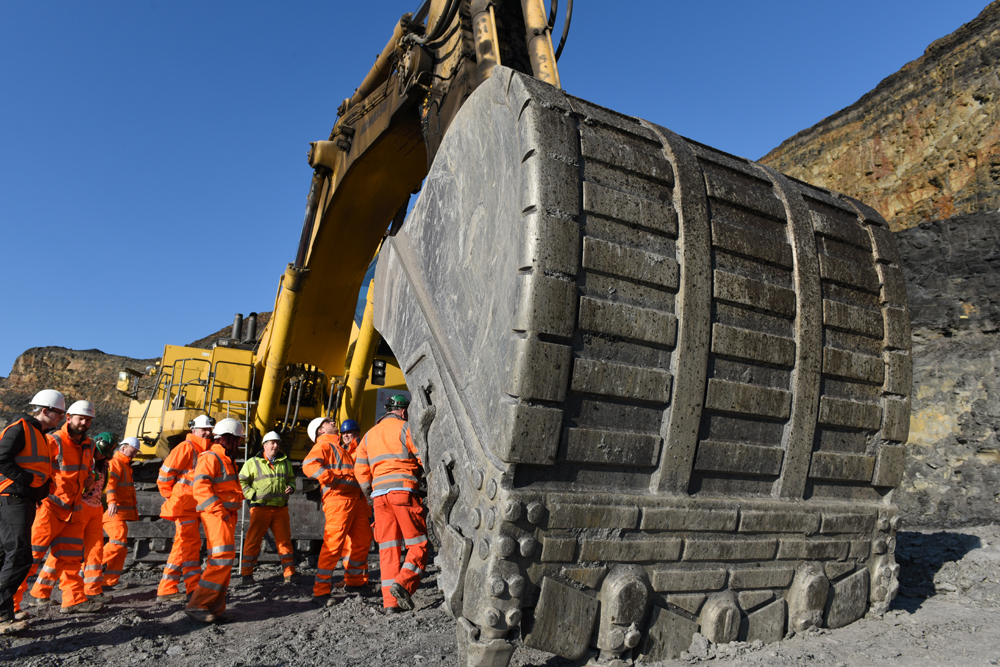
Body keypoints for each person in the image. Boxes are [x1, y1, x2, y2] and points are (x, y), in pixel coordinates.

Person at [19, 400, 102, 614]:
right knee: (30, 557)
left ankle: (73, 600)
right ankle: (10, 606)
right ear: (68, 418)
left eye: (88, 420)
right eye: (80, 418)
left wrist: (89, 479)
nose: (84, 423)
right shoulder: (52, 440)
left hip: (74, 510)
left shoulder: (90, 445)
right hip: (50, 507)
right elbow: (35, 467)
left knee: (71, 559)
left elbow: (87, 471)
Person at [354, 395, 427, 613]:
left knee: (388, 550)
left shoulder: (368, 436)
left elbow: (360, 471)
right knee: (418, 545)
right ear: (404, 412)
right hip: (403, 493)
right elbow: (423, 457)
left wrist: (371, 491)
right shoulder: (405, 428)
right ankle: (403, 583)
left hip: (379, 498)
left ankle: (390, 605)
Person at [0, 390, 61, 635]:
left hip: (21, 500)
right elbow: (2, 458)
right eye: (60, 413)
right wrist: (27, 482)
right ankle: (2, 615)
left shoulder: (40, 435)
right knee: (19, 556)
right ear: (45, 410)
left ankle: (5, 611)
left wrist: (39, 489)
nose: (62, 418)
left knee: (7, 555)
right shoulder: (21, 427)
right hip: (12, 498)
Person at [32, 429, 112, 605]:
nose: (100, 457)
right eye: (99, 453)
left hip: (95, 508)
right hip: (78, 506)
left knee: (95, 550)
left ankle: (92, 589)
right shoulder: (84, 457)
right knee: (63, 551)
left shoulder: (104, 464)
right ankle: (41, 591)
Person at [302, 416, 372, 606]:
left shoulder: (339, 447)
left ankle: (355, 582)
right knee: (333, 545)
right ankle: (321, 591)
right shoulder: (324, 445)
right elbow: (308, 465)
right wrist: (330, 478)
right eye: (328, 422)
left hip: (354, 500)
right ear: (320, 430)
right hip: (338, 500)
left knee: (363, 541)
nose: (333, 422)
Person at [185, 417, 244, 623]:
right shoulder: (211, 457)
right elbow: (201, 488)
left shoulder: (226, 459)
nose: (240, 444)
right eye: (238, 440)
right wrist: (221, 511)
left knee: (225, 561)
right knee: (220, 560)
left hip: (225, 516)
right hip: (217, 516)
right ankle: (197, 605)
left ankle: (214, 607)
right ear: (229, 439)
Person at [156, 414, 214, 601]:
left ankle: (167, 588)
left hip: (195, 506)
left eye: (209, 430)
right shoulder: (186, 447)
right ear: (193, 430)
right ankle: (192, 589)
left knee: (182, 546)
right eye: (203, 429)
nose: (207, 432)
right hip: (185, 506)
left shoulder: (206, 450)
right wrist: (171, 497)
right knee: (190, 546)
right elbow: (164, 476)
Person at [237, 430, 296, 585]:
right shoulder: (252, 463)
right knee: (253, 541)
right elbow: (241, 482)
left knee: (284, 541)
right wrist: (252, 495)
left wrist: (291, 487)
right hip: (260, 508)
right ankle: (247, 575)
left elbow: (291, 479)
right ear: (265, 445)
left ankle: (289, 574)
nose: (275, 446)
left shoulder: (285, 463)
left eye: (277, 443)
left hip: (280, 509)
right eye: (272, 443)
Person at [102, 437, 139, 589]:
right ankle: (86, 568)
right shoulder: (116, 463)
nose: (135, 454)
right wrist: (111, 502)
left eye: (136, 451)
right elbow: (109, 485)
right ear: (124, 448)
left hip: (118, 512)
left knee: (121, 546)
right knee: (118, 541)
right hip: (112, 511)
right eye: (133, 450)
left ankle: (110, 580)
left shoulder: (124, 465)